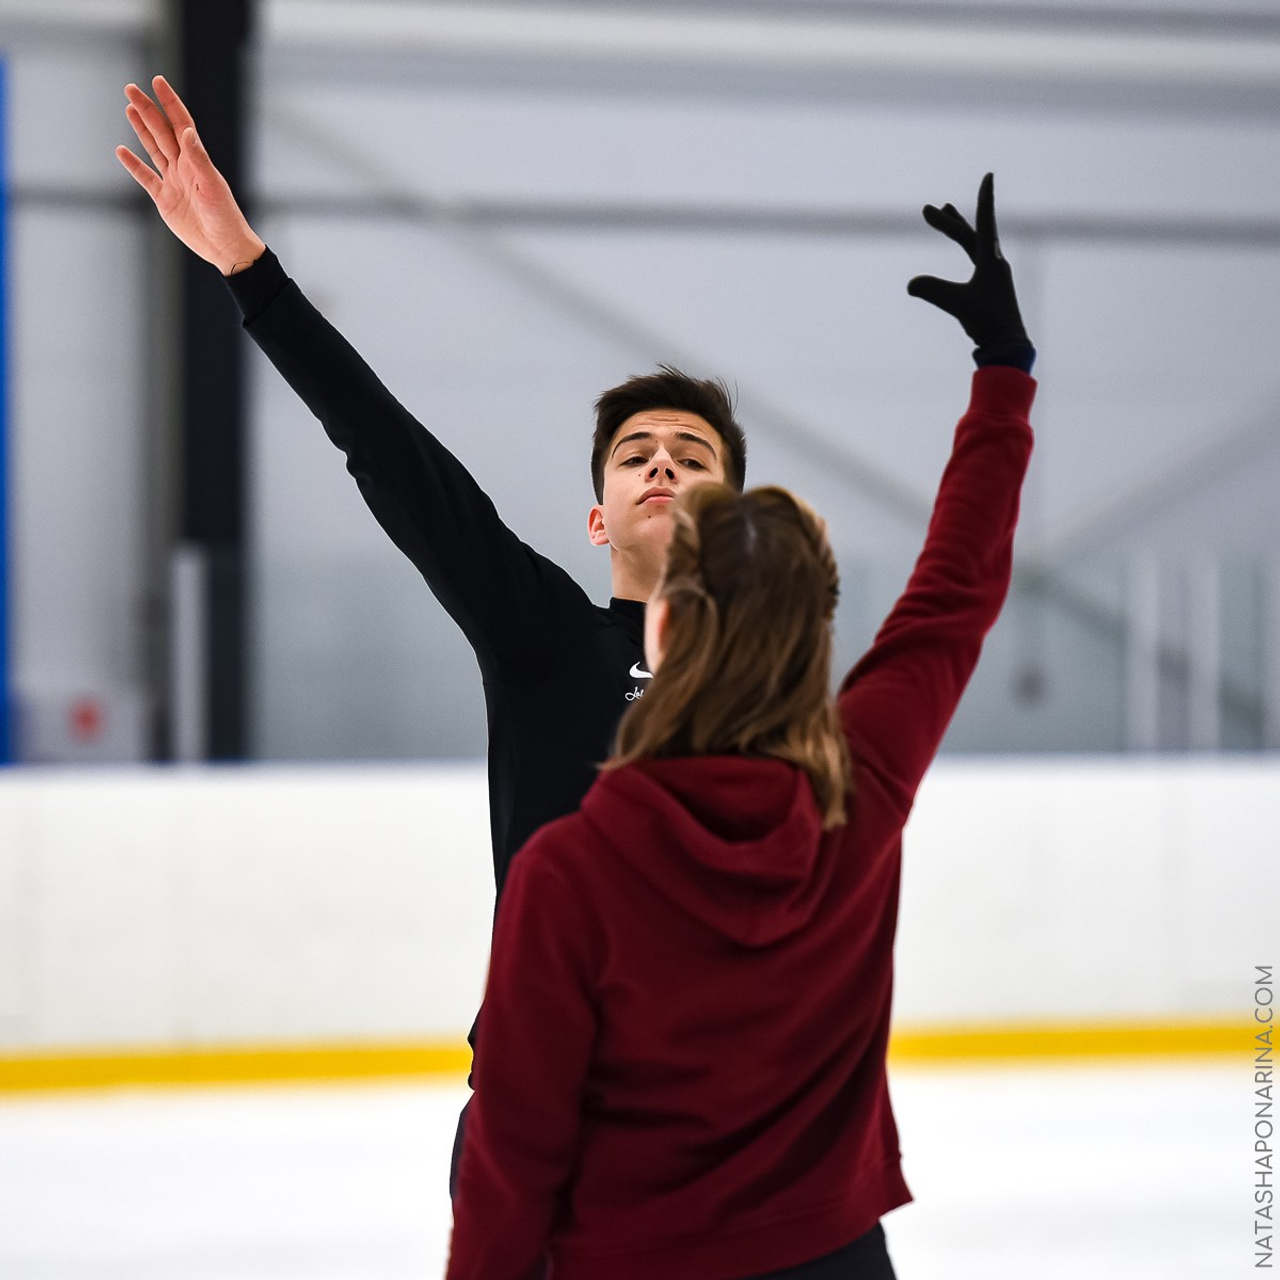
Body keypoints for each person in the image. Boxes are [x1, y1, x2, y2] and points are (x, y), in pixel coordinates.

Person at [445, 181, 1036, 1278]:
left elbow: (513, 1155)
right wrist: (1002, 373)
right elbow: (952, 589)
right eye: (637, 453)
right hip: (830, 1249)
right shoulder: (857, 789)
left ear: (659, 623)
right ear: (816, 627)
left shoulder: (567, 870)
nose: (661, 467)